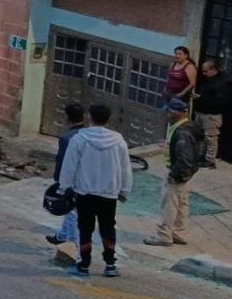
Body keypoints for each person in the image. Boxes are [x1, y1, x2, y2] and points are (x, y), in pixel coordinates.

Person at [59, 103, 133, 278]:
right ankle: (110, 264)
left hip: (85, 192)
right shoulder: (118, 141)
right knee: (108, 228)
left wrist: (64, 188)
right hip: (109, 193)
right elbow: (126, 168)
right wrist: (124, 190)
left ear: (89, 118)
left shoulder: (80, 139)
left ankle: (84, 264)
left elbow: (69, 166)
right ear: (108, 119)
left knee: (85, 228)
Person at [144, 98, 205, 246]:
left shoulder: (182, 132)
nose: (167, 113)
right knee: (181, 204)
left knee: (169, 205)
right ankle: (179, 232)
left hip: (177, 173)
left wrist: (175, 175)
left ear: (178, 113)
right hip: (186, 174)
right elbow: (201, 150)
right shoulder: (188, 127)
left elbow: (184, 157)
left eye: (170, 111)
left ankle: (164, 235)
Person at [46, 102, 88, 246]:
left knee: (71, 211)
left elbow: (62, 161)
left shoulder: (67, 139)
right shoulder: (90, 135)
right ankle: (62, 236)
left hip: (73, 179)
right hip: (89, 179)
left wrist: (58, 180)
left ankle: (72, 244)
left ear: (67, 119)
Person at [192, 58, 227, 168]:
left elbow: (219, 101)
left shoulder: (220, 83)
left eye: (206, 71)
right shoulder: (208, 80)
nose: (204, 73)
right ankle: (202, 155)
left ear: (213, 70)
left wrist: (201, 98)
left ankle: (210, 159)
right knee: (200, 135)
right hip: (202, 112)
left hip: (211, 114)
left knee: (211, 137)